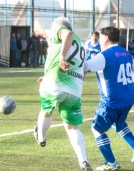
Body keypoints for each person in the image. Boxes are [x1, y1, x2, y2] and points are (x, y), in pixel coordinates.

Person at [34, 17, 92, 171]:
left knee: (46, 110)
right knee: (72, 127)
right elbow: (84, 69)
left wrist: (62, 57)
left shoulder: (63, 31)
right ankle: (83, 162)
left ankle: (41, 137)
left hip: (56, 83)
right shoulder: (81, 45)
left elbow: (67, 34)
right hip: (75, 89)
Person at [84, 26, 134, 171]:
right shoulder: (126, 53)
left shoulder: (104, 55)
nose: (99, 41)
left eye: (101, 38)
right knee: (118, 123)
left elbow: (86, 66)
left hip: (111, 101)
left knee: (97, 128)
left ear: (106, 38)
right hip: (128, 98)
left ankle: (111, 162)